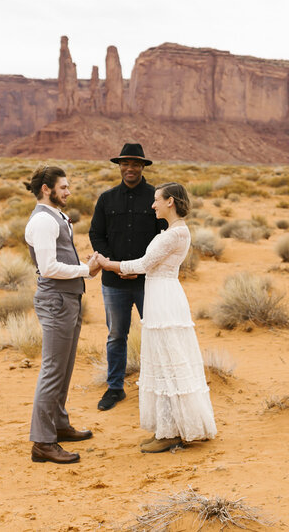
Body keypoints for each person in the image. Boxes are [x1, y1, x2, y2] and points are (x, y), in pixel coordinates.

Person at [97, 182, 217, 453]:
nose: (153, 205)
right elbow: (147, 266)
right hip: (161, 292)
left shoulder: (175, 233)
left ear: (170, 202)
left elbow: (142, 264)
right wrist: (130, 270)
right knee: (165, 360)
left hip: (163, 297)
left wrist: (107, 264)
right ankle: (169, 428)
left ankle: (171, 432)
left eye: (157, 200)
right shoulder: (173, 231)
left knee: (168, 360)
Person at [23, 165, 101, 464]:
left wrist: (86, 269)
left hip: (67, 298)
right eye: (64, 187)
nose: (68, 192)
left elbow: (58, 260)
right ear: (47, 189)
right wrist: (86, 269)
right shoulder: (43, 220)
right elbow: (49, 267)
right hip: (56, 300)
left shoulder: (54, 216)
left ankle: (58, 424)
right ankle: (43, 442)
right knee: (54, 369)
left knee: (65, 366)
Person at [88, 143, 166, 411]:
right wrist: (116, 265)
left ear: (143, 166)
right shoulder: (106, 199)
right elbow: (96, 235)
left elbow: (163, 237)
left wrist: (139, 266)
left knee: (155, 334)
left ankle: (158, 388)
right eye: (125, 164)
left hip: (149, 281)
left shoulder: (157, 198)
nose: (129, 168)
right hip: (114, 283)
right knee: (116, 335)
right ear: (119, 166)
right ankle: (115, 388)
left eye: (135, 164)